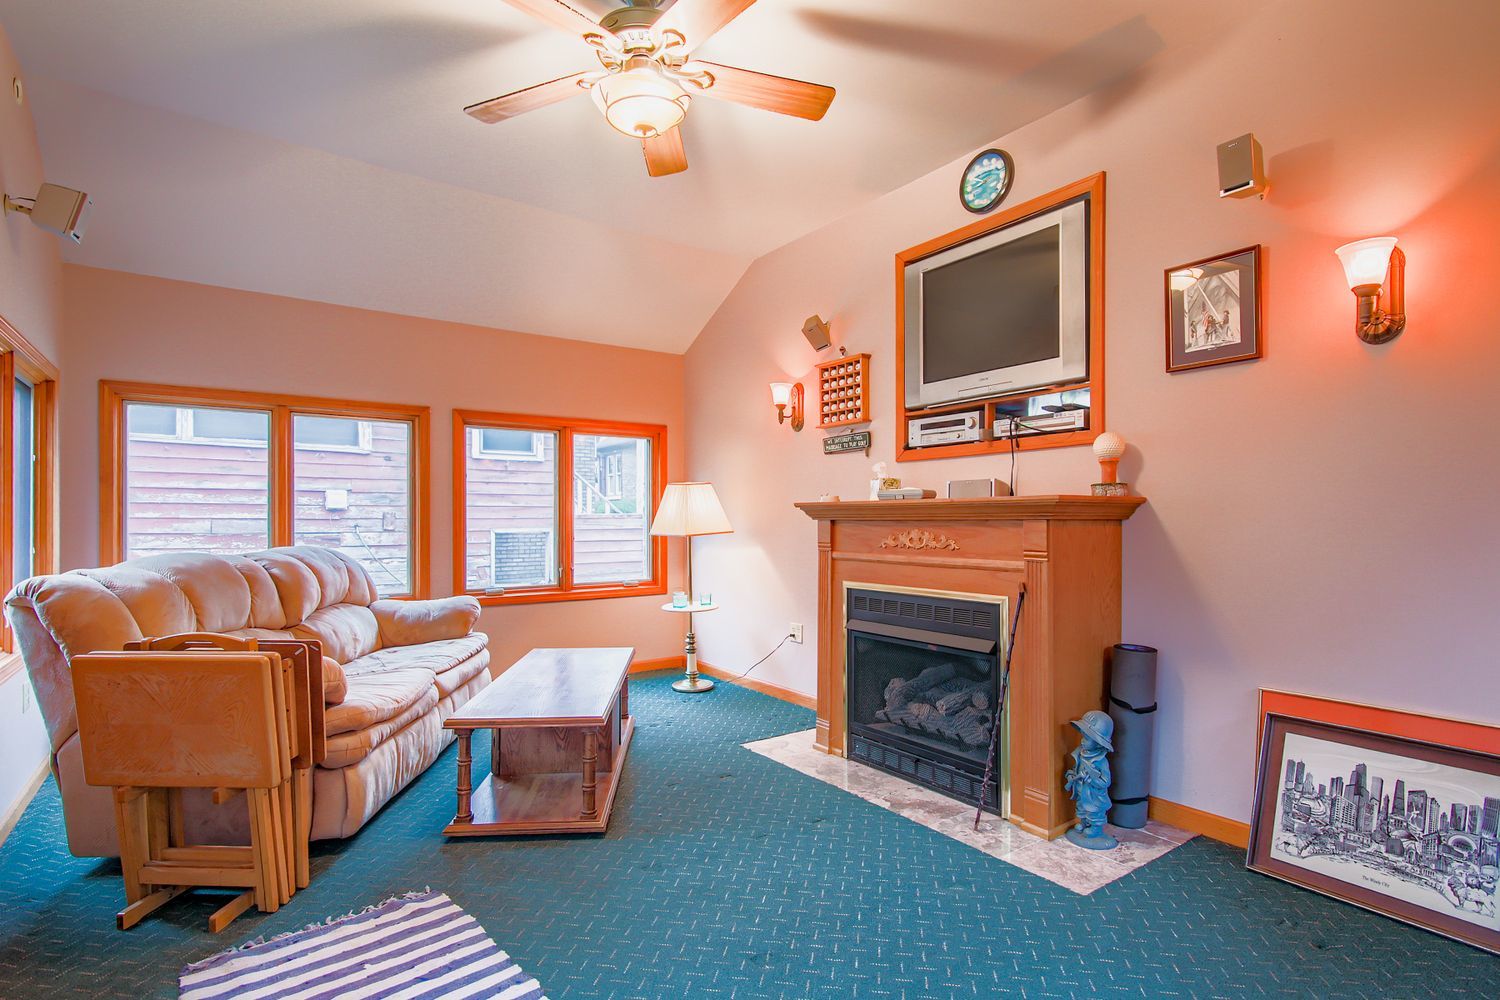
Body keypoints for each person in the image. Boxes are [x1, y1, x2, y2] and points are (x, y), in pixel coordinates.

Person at [1064, 710, 1118, 850]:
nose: (1082, 740)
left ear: (1099, 744)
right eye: (1083, 736)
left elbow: (1106, 782)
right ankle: (1083, 823)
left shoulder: (1101, 761)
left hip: (1094, 795)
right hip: (1082, 791)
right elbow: (1075, 769)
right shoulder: (1080, 753)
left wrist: (1092, 780)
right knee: (1081, 807)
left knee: (1094, 812)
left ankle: (1095, 828)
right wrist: (1070, 776)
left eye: (1087, 739)